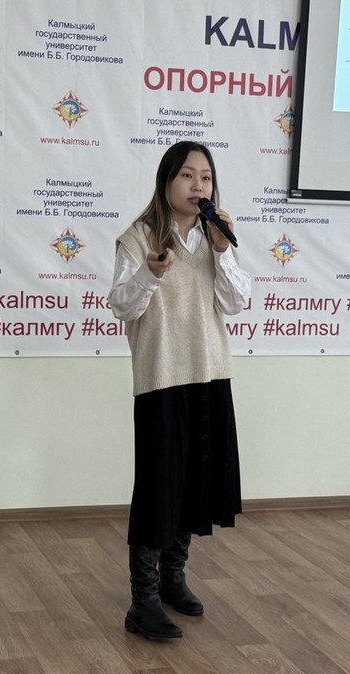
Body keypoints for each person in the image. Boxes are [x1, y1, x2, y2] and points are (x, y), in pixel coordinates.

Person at [108, 141, 251, 640]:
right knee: (158, 487)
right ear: (166, 181)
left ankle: (173, 578)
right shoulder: (138, 237)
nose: (198, 185)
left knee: (194, 481)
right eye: (187, 176)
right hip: (161, 378)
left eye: (206, 177)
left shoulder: (216, 237)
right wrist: (150, 272)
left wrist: (223, 252)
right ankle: (141, 600)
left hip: (209, 373)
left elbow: (235, 303)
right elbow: (121, 306)